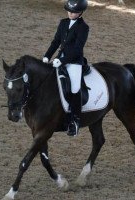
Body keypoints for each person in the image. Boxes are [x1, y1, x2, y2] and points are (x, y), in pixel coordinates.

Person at [42, 0, 89, 136]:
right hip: (58, 60)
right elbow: (56, 41)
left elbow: (77, 49)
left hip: (74, 62)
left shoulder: (83, 27)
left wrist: (62, 60)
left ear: (80, 13)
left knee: (74, 88)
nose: (70, 13)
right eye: (69, 11)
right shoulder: (63, 23)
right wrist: (47, 56)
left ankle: (75, 121)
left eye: (73, 12)